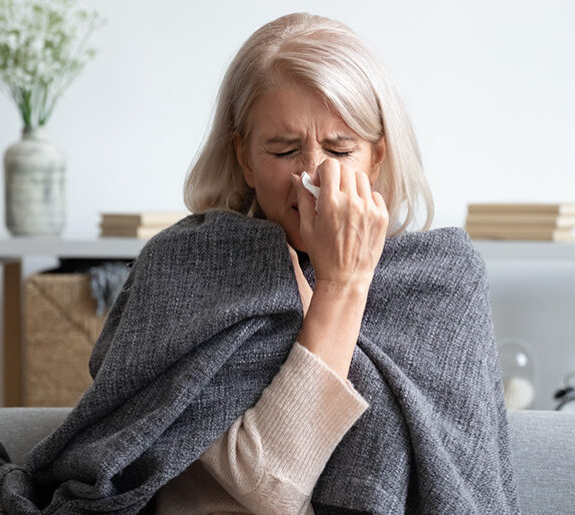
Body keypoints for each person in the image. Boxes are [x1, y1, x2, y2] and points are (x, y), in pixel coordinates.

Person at [153, 11, 436, 514]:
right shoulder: (187, 269)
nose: (312, 174)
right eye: (284, 150)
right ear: (243, 157)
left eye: (340, 148)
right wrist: (343, 284)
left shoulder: (440, 279)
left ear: (377, 156)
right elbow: (267, 486)